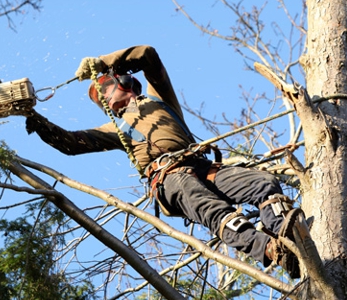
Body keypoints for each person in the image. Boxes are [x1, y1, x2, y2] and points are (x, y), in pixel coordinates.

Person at [24, 45, 301, 279]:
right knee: (211, 208)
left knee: (263, 184)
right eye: (103, 99)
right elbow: (71, 143)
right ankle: (271, 250)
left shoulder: (160, 99)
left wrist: (103, 62)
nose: (107, 100)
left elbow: (149, 56)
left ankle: (291, 237)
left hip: (203, 166)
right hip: (169, 177)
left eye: (106, 90)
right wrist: (34, 118)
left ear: (123, 82)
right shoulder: (117, 130)